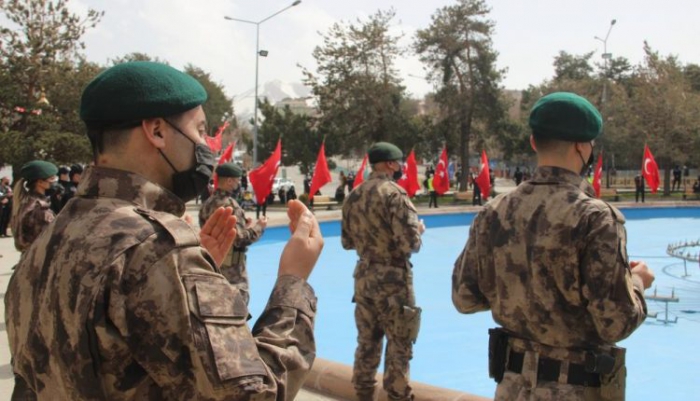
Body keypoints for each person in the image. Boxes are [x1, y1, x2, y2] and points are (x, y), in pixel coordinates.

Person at [5, 61, 324, 400]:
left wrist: (192, 277)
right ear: (157, 131)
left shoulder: (52, 237)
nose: (206, 145)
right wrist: (293, 281)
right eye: (200, 131)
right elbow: (256, 395)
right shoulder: (157, 251)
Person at [452, 92, 654, 401]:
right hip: (574, 389)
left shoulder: (494, 211)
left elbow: (465, 298)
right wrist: (638, 281)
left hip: (511, 388)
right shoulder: (595, 218)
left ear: (534, 142)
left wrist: (516, 290)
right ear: (582, 146)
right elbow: (615, 323)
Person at [341, 142, 425, 401]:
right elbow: (410, 244)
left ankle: (363, 393)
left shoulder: (353, 195)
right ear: (390, 164)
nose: (400, 167)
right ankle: (397, 396)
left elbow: (347, 242)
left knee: (367, 342)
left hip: (364, 278)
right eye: (398, 163)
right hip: (393, 281)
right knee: (400, 344)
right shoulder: (394, 194)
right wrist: (418, 231)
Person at [198, 163, 268, 305]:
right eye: (237, 180)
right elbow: (240, 239)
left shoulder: (208, 203)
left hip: (213, 265)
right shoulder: (230, 204)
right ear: (229, 181)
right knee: (236, 311)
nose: (239, 184)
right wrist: (259, 227)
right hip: (233, 273)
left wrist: (243, 224)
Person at [10, 160, 58, 252]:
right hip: (39, 259)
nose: (55, 182)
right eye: (51, 179)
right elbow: (51, 239)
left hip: (27, 258)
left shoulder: (24, 203)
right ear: (40, 182)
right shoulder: (40, 208)